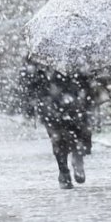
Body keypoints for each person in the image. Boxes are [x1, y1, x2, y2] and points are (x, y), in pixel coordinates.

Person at [18, 57, 98, 189]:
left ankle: (77, 160)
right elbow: (28, 81)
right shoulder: (37, 57)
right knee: (58, 139)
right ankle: (64, 171)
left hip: (73, 103)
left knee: (78, 134)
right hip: (51, 105)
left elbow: (87, 80)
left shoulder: (79, 55)